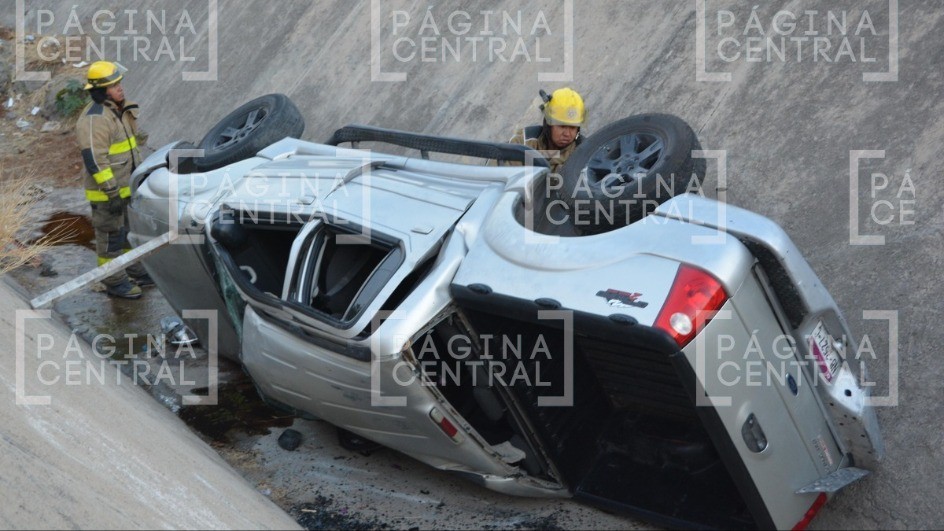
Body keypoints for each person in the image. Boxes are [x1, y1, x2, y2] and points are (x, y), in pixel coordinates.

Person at [75, 61, 153, 299]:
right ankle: (114, 280)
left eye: (119, 83)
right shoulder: (95, 119)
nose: (120, 88)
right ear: (101, 91)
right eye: (113, 85)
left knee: (127, 232)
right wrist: (111, 193)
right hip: (107, 193)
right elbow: (95, 160)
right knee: (110, 238)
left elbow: (129, 150)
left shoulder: (118, 111)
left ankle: (132, 268)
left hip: (125, 189)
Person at [509, 87, 587, 176]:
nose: (567, 134)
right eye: (562, 126)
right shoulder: (523, 142)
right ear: (548, 124)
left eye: (573, 128)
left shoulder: (584, 154)